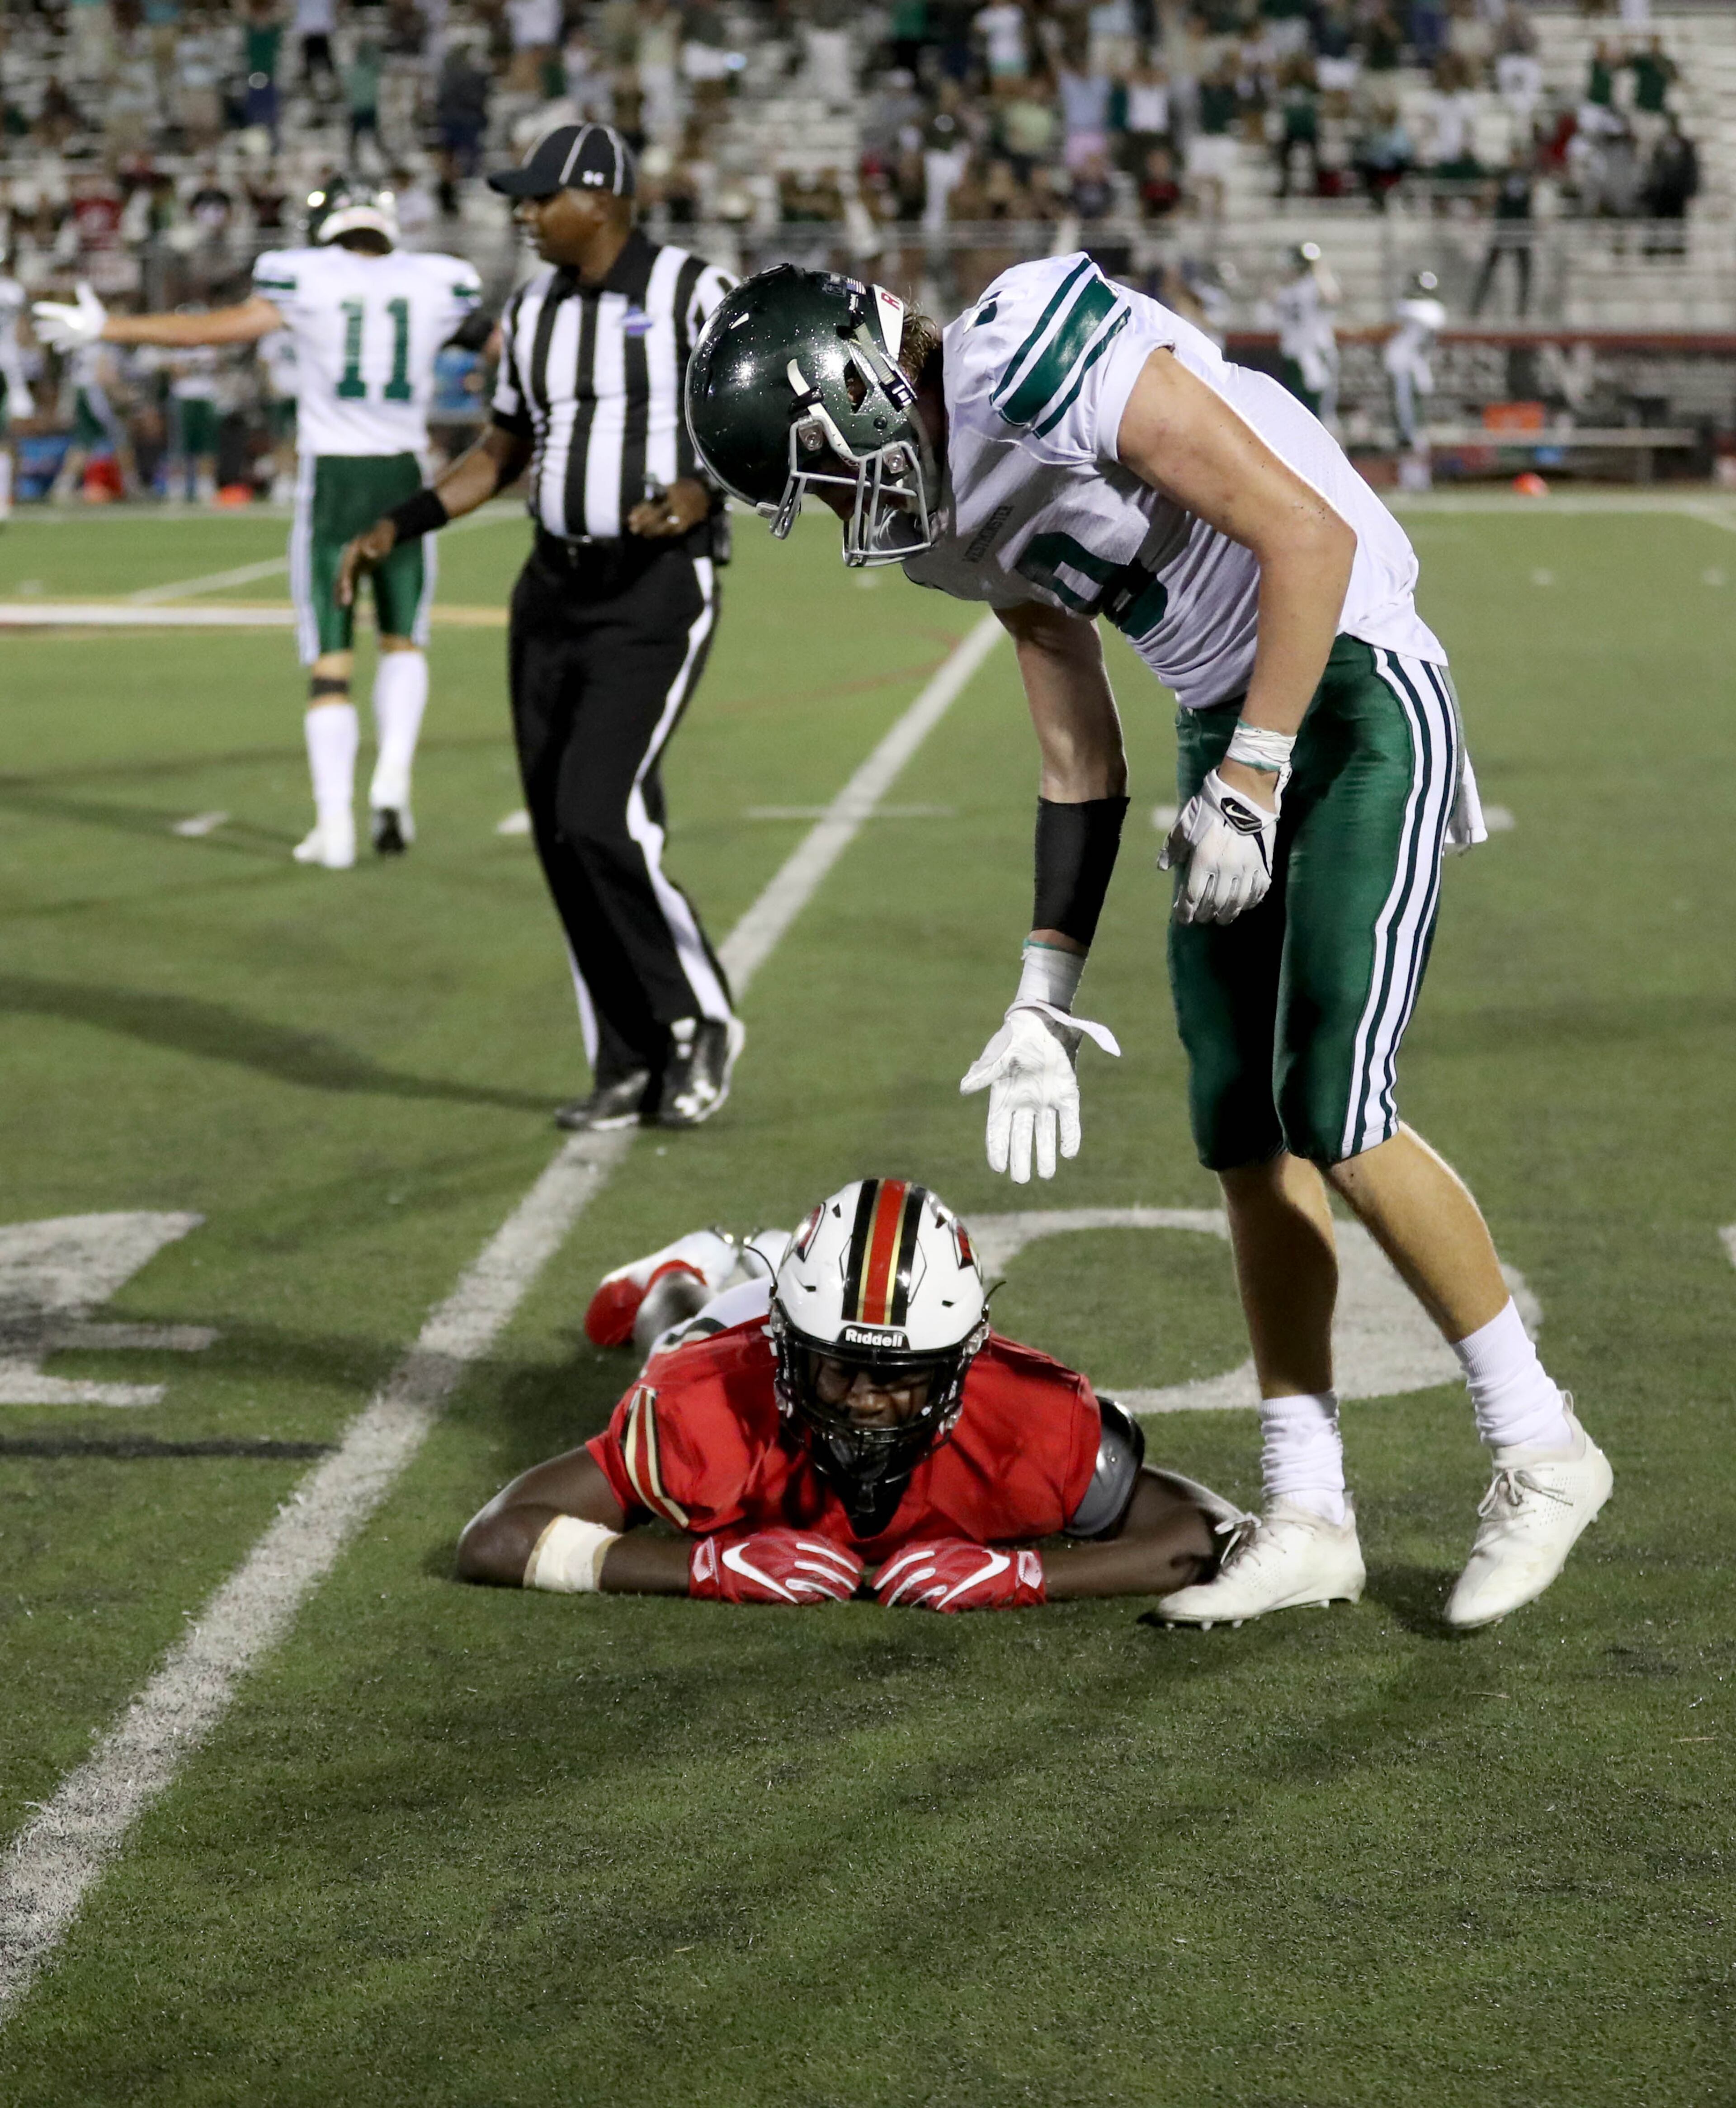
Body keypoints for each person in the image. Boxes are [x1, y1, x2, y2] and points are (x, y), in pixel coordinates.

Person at [683, 258, 1614, 1633]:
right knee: (1239, 1130)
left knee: (1335, 1106)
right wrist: (1039, 990)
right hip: (1218, 720)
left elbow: (1306, 538)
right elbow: (1072, 751)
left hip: (1348, 684)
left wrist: (1247, 778)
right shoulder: (954, 523)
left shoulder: (1017, 350)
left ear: (864, 387)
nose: (828, 504)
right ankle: (1308, 1512)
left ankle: (1540, 1448)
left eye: (816, 469)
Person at [337, 124, 744, 1134]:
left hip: (652, 587)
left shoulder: (696, 291)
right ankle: (625, 1055)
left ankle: (698, 1021)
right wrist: (404, 519)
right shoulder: (530, 311)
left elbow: (769, 421)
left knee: (603, 813)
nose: (521, 213)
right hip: (550, 592)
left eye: (536, 197)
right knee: (562, 835)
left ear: (598, 198)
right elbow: (500, 450)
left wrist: (701, 490)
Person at [457, 1179, 1242, 1611]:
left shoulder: (1023, 1417)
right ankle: (679, 1275)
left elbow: (1206, 1528)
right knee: (673, 1343)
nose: (866, 1398)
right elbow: (494, 1537)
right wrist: (697, 1564)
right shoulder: (716, 1402)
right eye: (840, 1369)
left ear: (961, 1362)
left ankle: (744, 1264)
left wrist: (1032, 1575)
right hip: (727, 1335)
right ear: (787, 1346)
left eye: (900, 1376)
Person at [35, 178, 489, 868]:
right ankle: (392, 778)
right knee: (403, 641)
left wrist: (109, 327)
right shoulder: (437, 280)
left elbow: (211, 330)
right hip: (403, 475)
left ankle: (334, 827)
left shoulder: (303, 277)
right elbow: (503, 346)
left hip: (335, 477)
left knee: (331, 661)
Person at [1383, 267, 1446, 468]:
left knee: (1410, 424)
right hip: (1414, 368)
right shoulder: (1428, 310)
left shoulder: (1420, 310)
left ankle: (1415, 473)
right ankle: (1413, 472)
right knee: (1409, 425)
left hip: (1411, 368)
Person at [1274, 240, 1339, 426]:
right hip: (1295, 355)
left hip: (1315, 352)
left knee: (1321, 413)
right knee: (1297, 412)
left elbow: (1331, 297)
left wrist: (1317, 267)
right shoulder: (1286, 290)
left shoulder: (1314, 286)